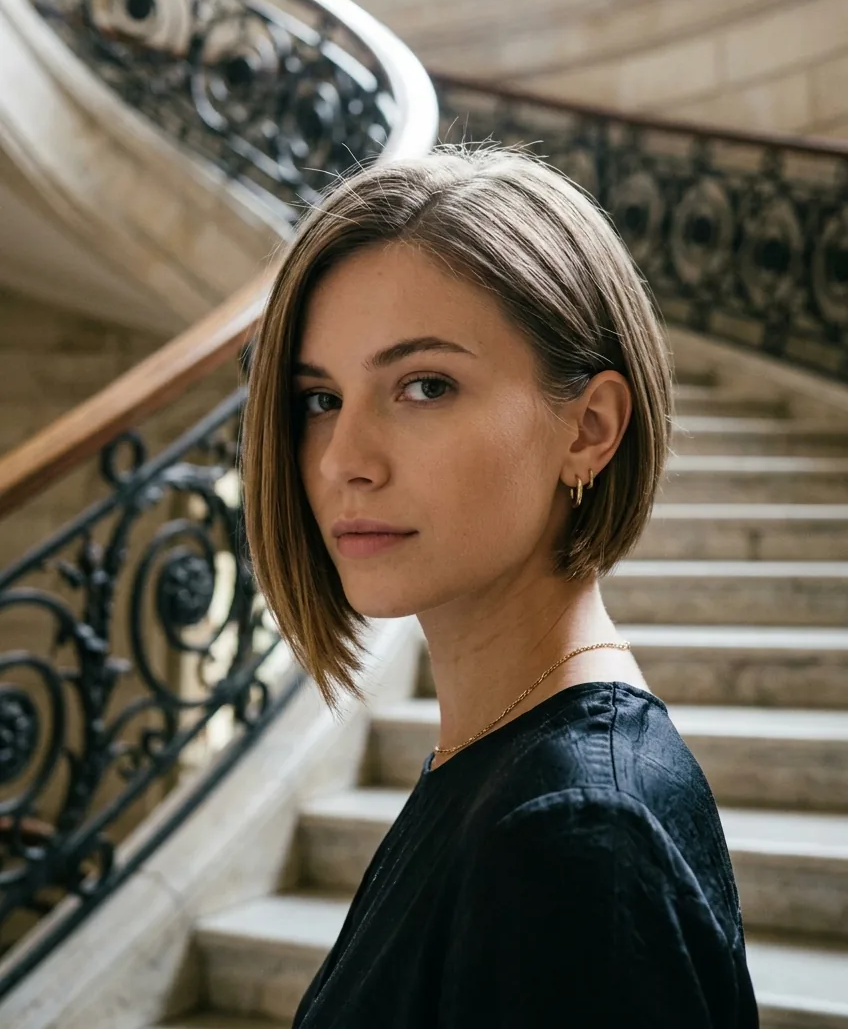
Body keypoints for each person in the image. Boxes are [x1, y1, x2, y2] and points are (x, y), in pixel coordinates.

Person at [241, 145, 760, 1027]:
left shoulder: (573, 835)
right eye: (320, 399)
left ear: (589, 430)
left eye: (425, 385)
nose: (344, 461)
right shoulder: (498, 756)